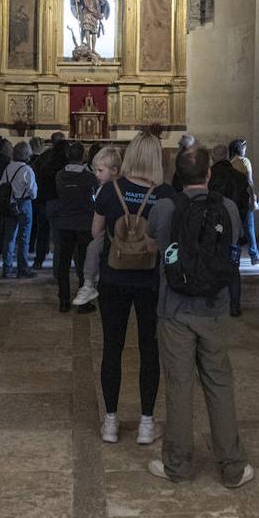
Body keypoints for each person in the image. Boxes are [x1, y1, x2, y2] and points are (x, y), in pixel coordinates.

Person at [145, 145, 254, 488]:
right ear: (209, 174)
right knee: (219, 384)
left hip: (175, 309)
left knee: (179, 387)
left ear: (176, 174)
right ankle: (233, 467)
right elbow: (233, 244)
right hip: (215, 308)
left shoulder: (164, 207)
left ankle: (177, 465)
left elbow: (152, 247)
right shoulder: (228, 208)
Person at [93, 132, 172, 445]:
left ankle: (110, 422)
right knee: (149, 350)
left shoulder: (110, 189)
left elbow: (95, 231)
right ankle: (146, 423)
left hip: (113, 277)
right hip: (151, 281)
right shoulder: (165, 193)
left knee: (112, 347)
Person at [71, 146, 122, 308]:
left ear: (114, 170)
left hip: (116, 231)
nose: (96, 174)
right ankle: (89, 282)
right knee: (93, 248)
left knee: (93, 248)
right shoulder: (105, 188)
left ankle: (88, 284)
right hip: (110, 231)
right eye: (95, 170)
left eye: (100, 170)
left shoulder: (109, 189)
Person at [207, 144, 252, 313]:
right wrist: (240, 224)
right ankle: (234, 305)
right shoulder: (240, 177)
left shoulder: (209, 176)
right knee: (233, 266)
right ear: (226, 156)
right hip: (233, 223)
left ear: (213, 157)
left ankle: (212, 301)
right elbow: (244, 204)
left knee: (211, 263)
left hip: (213, 224)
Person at [54, 142, 97, 312]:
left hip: (64, 223)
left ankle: (64, 301)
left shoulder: (59, 176)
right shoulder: (89, 178)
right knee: (84, 264)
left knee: (63, 264)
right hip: (84, 224)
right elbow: (94, 198)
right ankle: (83, 302)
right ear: (83, 157)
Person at [0, 141, 38, 279]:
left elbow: (2, 184)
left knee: (9, 238)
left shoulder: (8, 167)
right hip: (24, 204)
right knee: (24, 238)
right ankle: (22, 268)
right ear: (27, 154)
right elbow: (33, 193)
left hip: (10, 204)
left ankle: (7, 268)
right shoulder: (27, 170)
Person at [33, 133, 67, 269]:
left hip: (45, 199)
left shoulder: (44, 157)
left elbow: (36, 173)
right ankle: (59, 266)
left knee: (43, 231)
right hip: (60, 201)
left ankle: (39, 260)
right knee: (59, 236)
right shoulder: (65, 161)